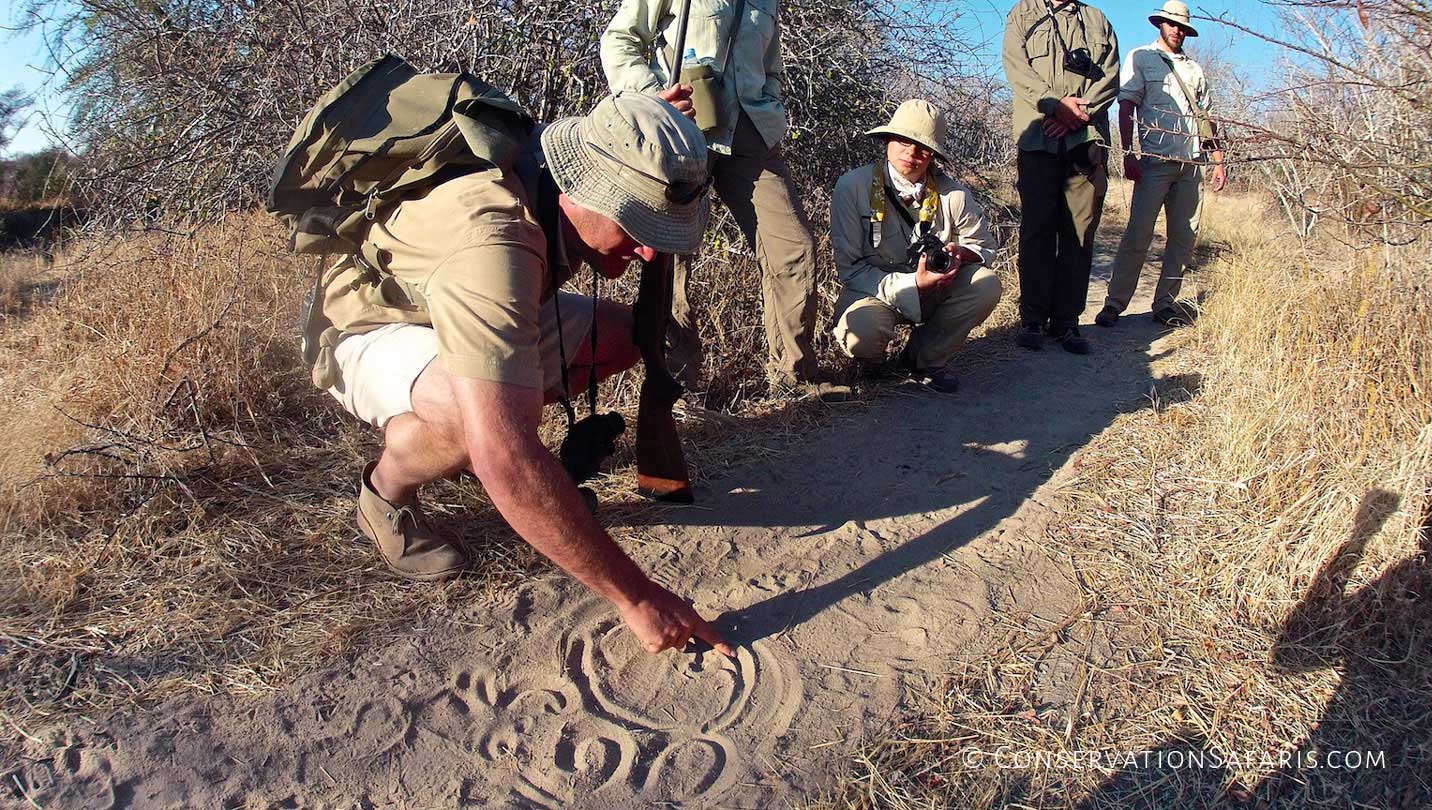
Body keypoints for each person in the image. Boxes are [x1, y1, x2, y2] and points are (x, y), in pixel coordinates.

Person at [315, 92, 734, 657]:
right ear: (582, 192)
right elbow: (506, 453)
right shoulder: (495, 240)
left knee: (626, 335)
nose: (647, 251)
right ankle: (387, 492)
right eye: (636, 226)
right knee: (483, 431)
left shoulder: (555, 166)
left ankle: (513, 458)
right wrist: (637, 597)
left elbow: (617, 150)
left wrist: (649, 135)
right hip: (368, 323)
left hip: (471, 303)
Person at [601, 0, 850, 400]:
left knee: (793, 246)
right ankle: (677, 388)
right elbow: (620, 39)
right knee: (673, 255)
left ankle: (795, 376)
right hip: (683, 127)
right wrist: (652, 97)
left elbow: (772, 67)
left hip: (751, 132)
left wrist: (772, 106)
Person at [829, 99, 1001, 393]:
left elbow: (985, 247)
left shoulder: (955, 194)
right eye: (903, 141)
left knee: (986, 284)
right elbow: (851, 269)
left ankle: (924, 359)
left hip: (936, 289)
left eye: (923, 147)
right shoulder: (852, 186)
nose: (912, 153)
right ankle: (873, 365)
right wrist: (913, 284)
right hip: (875, 290)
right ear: (887, 140)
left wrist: (962, 254)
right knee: (864, 331)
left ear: (933, 155)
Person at [1095, 1, 1226, 329]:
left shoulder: (1195, 69)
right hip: (1154, 162)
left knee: (1183, 237)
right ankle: (1114, 303)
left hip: (1191, 164)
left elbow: (1207, 118)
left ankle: (1165, 303)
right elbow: (1126, 108)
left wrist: (1218, 161)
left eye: (1182, 26)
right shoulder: (1142, 58)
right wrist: (1128, 154)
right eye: (1172, 24)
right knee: (1138, 234)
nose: (1177, 30)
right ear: (1160, 25)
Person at [1003, 0, 1120, 355]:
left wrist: (1078, 113)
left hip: (1086, 141)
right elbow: (1016, 66)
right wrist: (1054, 104)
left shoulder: (1098, 20)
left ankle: (1067, 322)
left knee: (1080, 232)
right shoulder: (1022, 13)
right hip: (1039, 138)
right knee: (1037, 229)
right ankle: (1033, 319)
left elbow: (1111, 77)